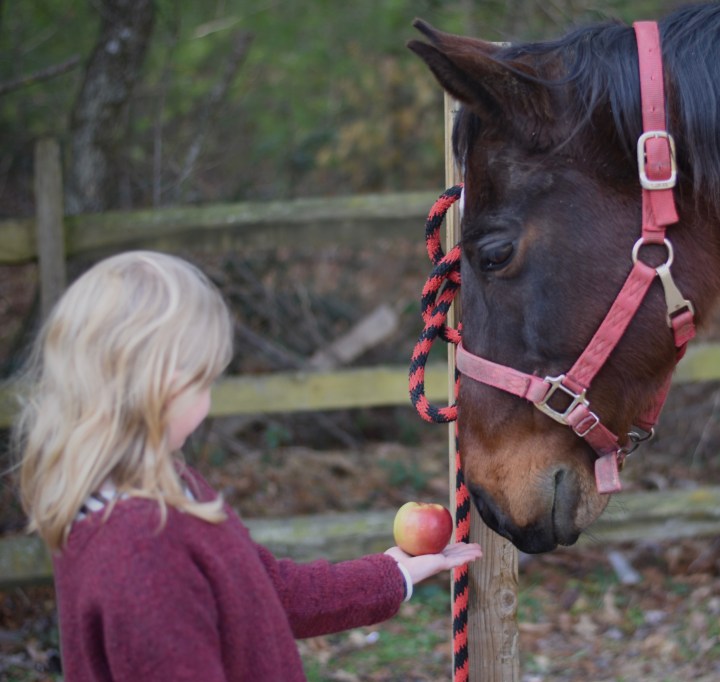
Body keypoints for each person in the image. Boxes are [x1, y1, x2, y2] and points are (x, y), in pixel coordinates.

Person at [13, 250, 481, 681]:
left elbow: (265, 592)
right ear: (165, 386)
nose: (209, 397)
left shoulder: (158, 487)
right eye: (204, 379)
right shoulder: (142, 549)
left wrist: (392, 573)